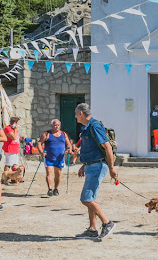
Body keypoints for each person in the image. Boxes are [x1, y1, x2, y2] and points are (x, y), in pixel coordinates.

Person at [75, 103, 118, 241]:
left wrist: (111, 168)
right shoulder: (86, 128)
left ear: (81, 113)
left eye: (76, 113)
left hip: (98, 166)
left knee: (86, 198)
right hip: (90, 166)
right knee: (91, 198)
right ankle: (92, 229)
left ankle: (107, 223)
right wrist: (84, 165)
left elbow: (107, 147)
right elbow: (90, 149)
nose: (75, 116)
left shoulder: (95, 126)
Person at [38, 119, 72, 196]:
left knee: (58, 174)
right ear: (51, 126)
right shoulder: (47, 134)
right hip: (49, 157)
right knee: (49, 173)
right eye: (54, 125)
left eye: (58, 125)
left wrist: (69, 148)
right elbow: (39, 143)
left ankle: (56, 189)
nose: (56, 126)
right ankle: (50, 189)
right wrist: (41, 152)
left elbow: (68, 143)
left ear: (60, 126)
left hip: (60, 158)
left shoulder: (63, 134)